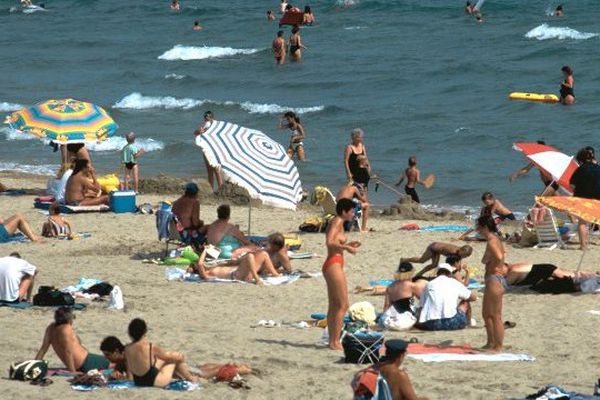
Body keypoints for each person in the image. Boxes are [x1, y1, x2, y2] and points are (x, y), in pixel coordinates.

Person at [102, 336, 255, 381]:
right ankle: (231, 365)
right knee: (199, 369)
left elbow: (130, 380)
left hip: (172, 366)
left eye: (108, 355)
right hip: (170, 363)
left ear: (116, 351)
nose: (107, 358)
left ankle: (241, 369)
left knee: (203, 375)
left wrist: (118, 378)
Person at [323, 198, 361, 350]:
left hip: (335, 262)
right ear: (344, 211)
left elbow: (336, 244)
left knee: (334, 305)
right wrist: (346, 248)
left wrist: (347, 245)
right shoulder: (337, 221)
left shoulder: (339, 223)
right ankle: (335, 342)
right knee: (342, 305)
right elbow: (329, 242)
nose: (354, 214)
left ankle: (333, 341)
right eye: (352, 211)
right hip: (333, 264)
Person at [125, 318, 198, 387]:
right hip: (155, 382)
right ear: (144, 331)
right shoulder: (150, 347)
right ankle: (190, 378)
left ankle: (183, 375)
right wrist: (181, 357)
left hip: (138, 381)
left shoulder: (127, 348)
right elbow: (167, 357)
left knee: (162, 359)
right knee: (176, 357)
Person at [35, 307, 110, 373]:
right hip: (85, 362)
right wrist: (72, 372)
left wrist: (34, 365)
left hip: (83, 361)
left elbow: (43, 349)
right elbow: (68, 351)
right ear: (68, 318)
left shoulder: (51, 328)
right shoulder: (66, 329)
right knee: (112, 361)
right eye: (72, 317)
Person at [353, 339, 426, 400]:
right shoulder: (400, 375)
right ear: (401, 356)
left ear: (386, 353)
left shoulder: (373, 368)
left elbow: (356, 378)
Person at [477, 215, 507, 352]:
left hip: (495, 279)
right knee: (486, 314)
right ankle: (490, 342)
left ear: (485, 227)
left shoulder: (492, 241)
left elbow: (499, 256)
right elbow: (502, 252)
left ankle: (498, 346)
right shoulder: (494, 239)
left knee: (495, 315)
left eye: (479, 227)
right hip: (492, 279)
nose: (477, 230)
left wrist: (489, 259)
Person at [417, 263, 477, 331]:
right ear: (450, 273)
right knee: (466, 302)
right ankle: (468, 324)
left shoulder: (429, 284)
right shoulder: (454, 283)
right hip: (452, 323)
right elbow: (473, 297)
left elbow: (422, 305)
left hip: (432, 324)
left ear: (437, 273)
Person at [570, 147, 600, 250]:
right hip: (598, 198)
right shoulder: (598, 168)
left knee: (582, 223)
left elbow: (572, 185)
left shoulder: (580, 169)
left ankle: (583, 246)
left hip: (582, 199)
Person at [380, 262, 419, 331]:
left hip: (390, 322)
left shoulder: (390, 286)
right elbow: (423, 300)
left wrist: (382, 319)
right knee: (418, 309)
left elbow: (386, 305)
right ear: (411, 272)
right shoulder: (412, 286)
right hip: (405, 321)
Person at [402, 242, 473, 279]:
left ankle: (419, 274)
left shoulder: (460, 253)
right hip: (433, 248)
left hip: (438, 250)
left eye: (466, 256)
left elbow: (458, 264)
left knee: (434, 265)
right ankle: (405, 260)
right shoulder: (453, 251)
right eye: (464, 255)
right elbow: (448, 265)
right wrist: (457, 275)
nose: (464, 256)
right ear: (461, 249)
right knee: (421, 260)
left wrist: (458, 274)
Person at [194, 111, 223, 193]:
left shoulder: (215, 127)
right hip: (206, 151)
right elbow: (195, 134)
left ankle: (220, 190)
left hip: (214, 151)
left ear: (212, 118)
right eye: (205, 118)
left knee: (217, 170)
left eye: (208, 118)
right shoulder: (203, 128)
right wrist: (198, 131)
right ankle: (211, 191)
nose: (207, 119)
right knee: (210, 171)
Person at [171, 183, 205, 251]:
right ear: (195, 193)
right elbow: (195, 222)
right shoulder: (195, 202)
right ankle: (198, 250)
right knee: (205, 231)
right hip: (184, 234)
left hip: (173, 232)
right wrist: (201, 223)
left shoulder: (178, 201)